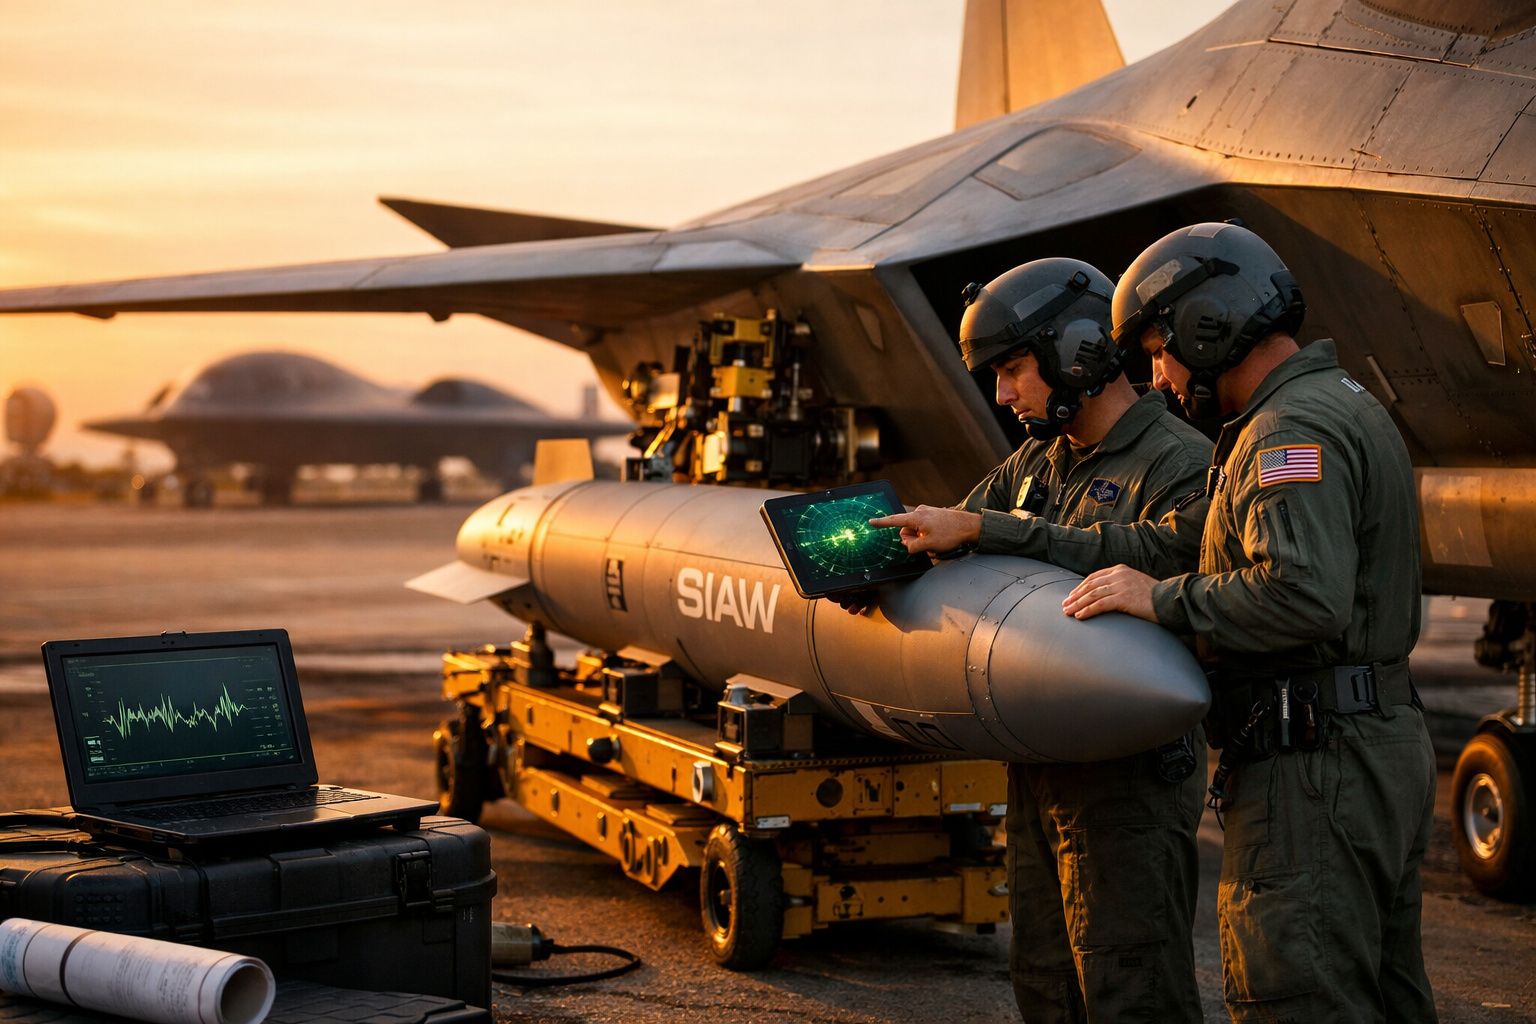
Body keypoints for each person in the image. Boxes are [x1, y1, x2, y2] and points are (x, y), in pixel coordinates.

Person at [881, 224, 1437, 1023]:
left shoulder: (1284, 431)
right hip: (1325, 741)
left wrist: (1159, 597)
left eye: (1158, 348)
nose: (1155, 372)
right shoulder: (1308, 413)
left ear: (1206, 324)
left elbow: (1294, 593)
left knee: (1289, 992)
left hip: (1309, 753)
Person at [870, 257, 1212, 1022]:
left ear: (1080, 349)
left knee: (1132, 989)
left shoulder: (1181, 462)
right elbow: (960, 532)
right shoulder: (1039, 460)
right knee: (1046, 983)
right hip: (1038, 767)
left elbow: (1161, 560)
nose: (1003, 393)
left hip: (1126, 781)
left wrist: (988, 528)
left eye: (1014, 368)